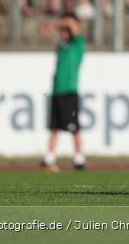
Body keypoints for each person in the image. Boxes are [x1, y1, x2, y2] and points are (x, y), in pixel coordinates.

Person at [41, 13, 86, 172]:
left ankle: (79, 159)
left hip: (70, 91)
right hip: (57, 91)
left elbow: (73, 24)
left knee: (74, 127)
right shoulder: (62, 45)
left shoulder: (78, 43)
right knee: (54, 127)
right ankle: (49, 158)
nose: (64, 31)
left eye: (66, 29)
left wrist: (55, 25)